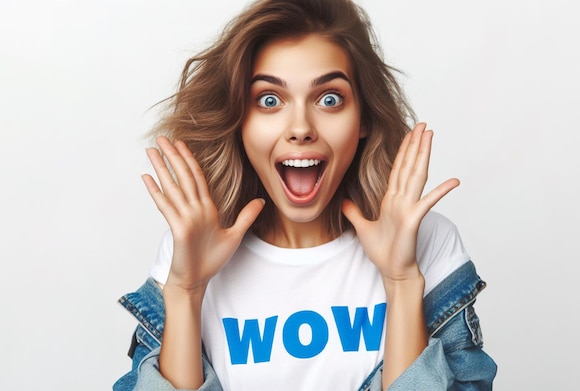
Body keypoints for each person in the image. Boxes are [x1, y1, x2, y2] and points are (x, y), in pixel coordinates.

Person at [114, 0, 497, 390]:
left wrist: (401, 281)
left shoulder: (428, 241)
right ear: (240, 121)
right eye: (269, 100)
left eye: (329, 99)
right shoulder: (191, 250)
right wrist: (185, 291)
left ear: (363, 117)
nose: (300, 128)